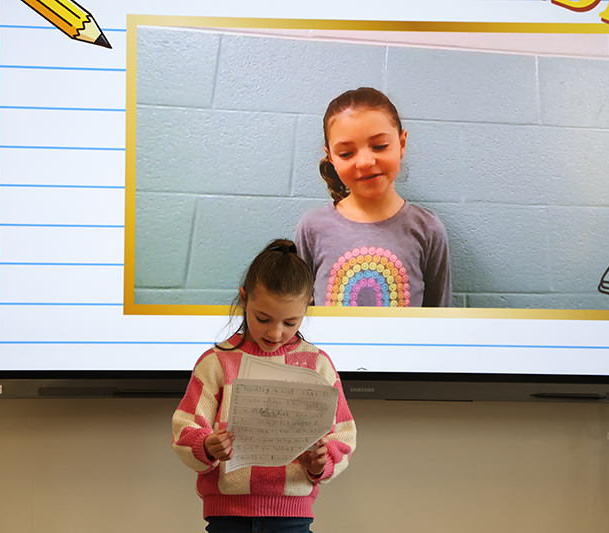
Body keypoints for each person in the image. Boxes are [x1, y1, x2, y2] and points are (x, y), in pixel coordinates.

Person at [171, 238, 357, 533]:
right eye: (263, 318)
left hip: (292, 518)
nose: (275, 332)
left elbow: (343, 435)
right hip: (227, 517)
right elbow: (185, 430)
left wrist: (320, 462)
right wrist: (207, 445)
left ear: (308, 307)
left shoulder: (318, 364)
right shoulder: (217, 362)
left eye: (291, 322)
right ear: (244, 299)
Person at [295, 87, 451, 308]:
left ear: (402, 143)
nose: (365, 162)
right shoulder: (311, 228)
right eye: (346, 153)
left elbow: (440, 318)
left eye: (379, 146)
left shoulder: (428, 229)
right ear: (330, 157)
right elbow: (296, 316)